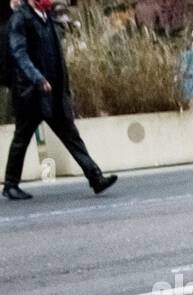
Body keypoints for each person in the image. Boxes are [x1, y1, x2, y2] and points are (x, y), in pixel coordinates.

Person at [4, 0, 117, 200]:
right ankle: (11, 184)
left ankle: (95, 177)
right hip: (32, 93)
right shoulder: (21, 18)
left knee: (71, 136)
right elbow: (19, 54)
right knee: (21, 139)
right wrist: (37, 78)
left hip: (53, 93)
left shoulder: (47, 18)